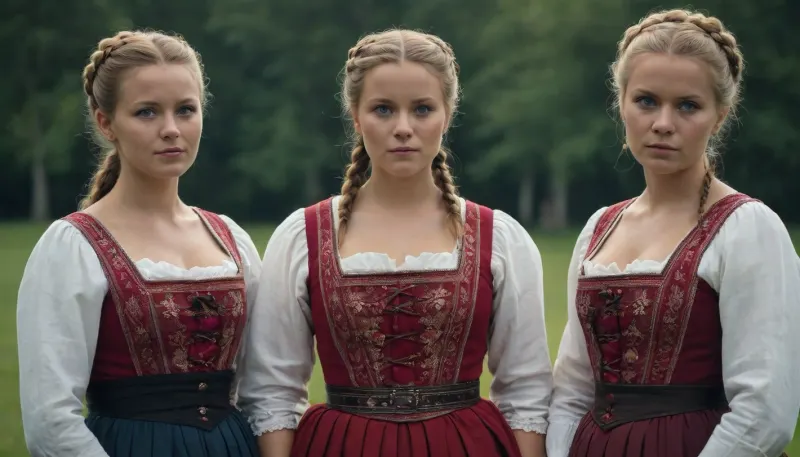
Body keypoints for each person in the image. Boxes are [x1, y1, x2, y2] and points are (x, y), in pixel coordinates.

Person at [236, 29, 553, 457]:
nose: (403, 128)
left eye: (422, 109)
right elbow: (273, 390)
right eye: (383, 109)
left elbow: (526, 390)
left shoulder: (500, 239)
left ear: (447, 114)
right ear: (355, 116)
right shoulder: (302, 237)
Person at [545, 9, 800, 457]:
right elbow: (570, 390)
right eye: (646, 100)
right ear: (621, 102)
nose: (663, 122)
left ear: (719, 115)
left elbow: (764, 411)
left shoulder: (746, 229)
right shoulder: (598, 229)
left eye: (687, 105)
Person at [16, 30, 261, 457]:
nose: (171, 129)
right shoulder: (74, 246)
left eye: (186, 110)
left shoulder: (231, 239)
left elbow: (262, 389)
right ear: (105, 122)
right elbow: (50, 420)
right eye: (147, 112)